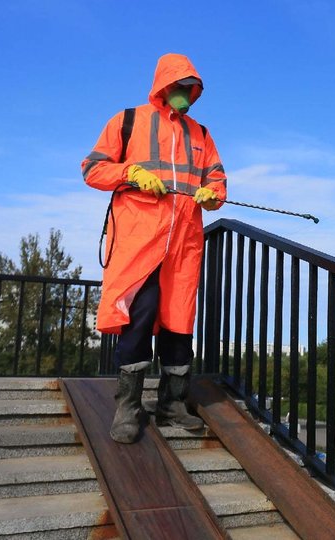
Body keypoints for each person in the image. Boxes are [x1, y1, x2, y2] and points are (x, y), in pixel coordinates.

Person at [81, 53, 227, 444]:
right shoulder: (127, 121)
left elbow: (217, 181)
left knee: (180, 321)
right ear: (164, 84)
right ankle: (128, 407)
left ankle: (172, 406)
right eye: (180, 86)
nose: (186, 94)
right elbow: (92, 169)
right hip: (138, 241)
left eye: (191, 88)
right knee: (139, 317)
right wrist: (130, 172)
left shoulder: (201, 134)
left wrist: (212, 196)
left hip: (183, 244)